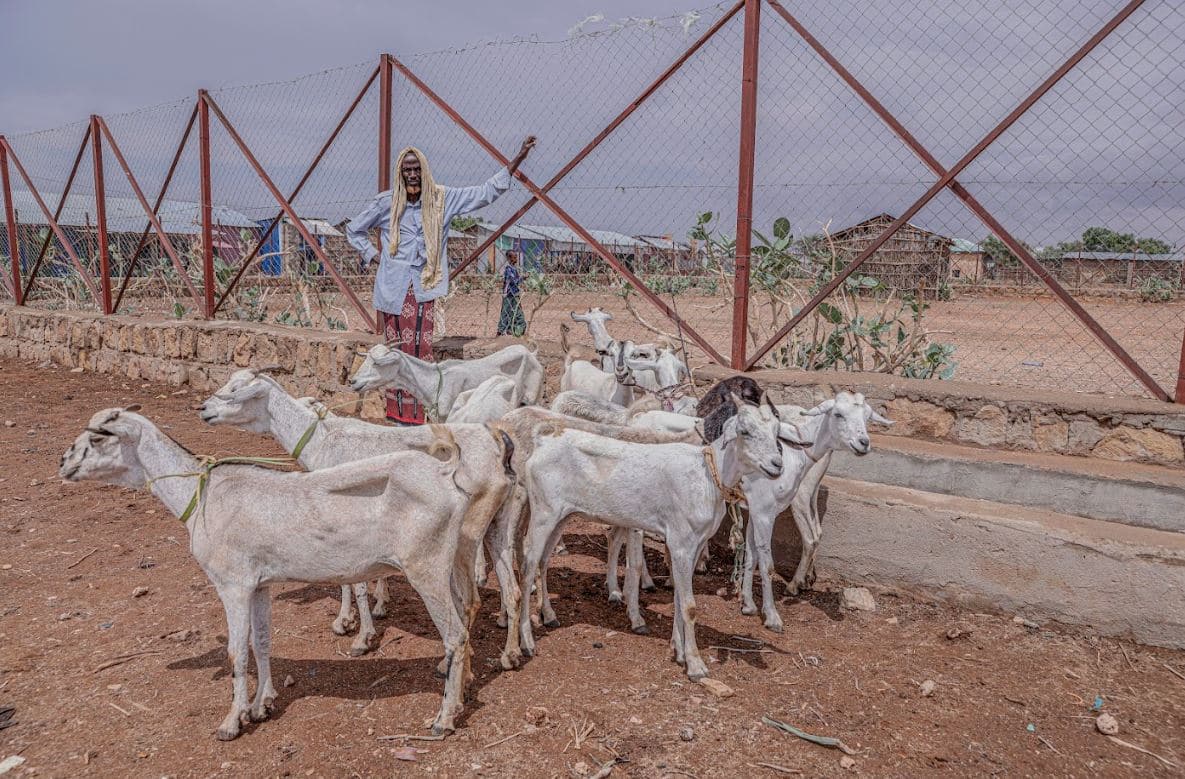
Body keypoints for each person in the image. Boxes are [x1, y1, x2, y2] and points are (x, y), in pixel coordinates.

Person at [347, 137, 536, 423]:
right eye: (407, 170)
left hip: (423, 288)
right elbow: (354, 230)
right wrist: (374, 256)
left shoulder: (441, 199)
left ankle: (421, 414)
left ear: (424, 171)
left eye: (416, 169)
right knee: (393, 354)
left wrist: (517, 160)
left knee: (421, 353)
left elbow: (483, 193)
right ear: (400, 173)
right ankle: (397, 415)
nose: (412, 175)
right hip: (392, 289)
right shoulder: (386, 203)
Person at [496, 250, 527, 337]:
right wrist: (523, 278)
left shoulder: (514, 269)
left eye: (516, 257)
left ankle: (510, 330)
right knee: (505, 312)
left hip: (515, 293)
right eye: (514, 257)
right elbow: (513, 281)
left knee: (515, 312)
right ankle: (500, 331)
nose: (516, 259)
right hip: (509, 294)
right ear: (509, 258)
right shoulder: (508, 269)